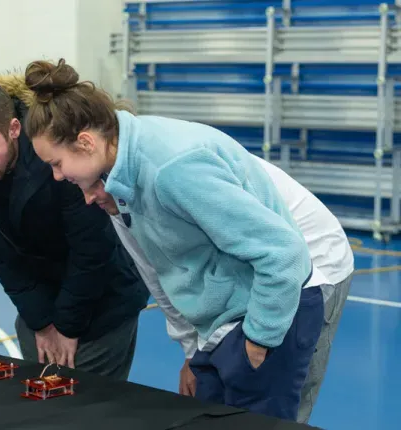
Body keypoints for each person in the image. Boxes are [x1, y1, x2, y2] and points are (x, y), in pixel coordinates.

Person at [23, 58, 332, 422]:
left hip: (262, 314)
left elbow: (283, 253)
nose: (57, 176)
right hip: (222, 320)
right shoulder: (120, 171)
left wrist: (259, 339)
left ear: (86, 142)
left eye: (57, 163)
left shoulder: (172, 170)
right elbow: (159, 268)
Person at [82, 152, 354, 423]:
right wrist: (192, 351)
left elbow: (283, 254)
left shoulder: (174, 177)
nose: (88, 197)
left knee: (276, 406)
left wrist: (261, 340)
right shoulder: (116, 198)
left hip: (312, 258)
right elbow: (159, 277)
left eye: (94, 185)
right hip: (246, 274)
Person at [0, 77, 150, 380]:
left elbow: (93, 249)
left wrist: (68, 326)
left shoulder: (57, 156)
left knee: (88, 409)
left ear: (14, 129)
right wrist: (42, 322)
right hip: (39, 308)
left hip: (103, 302)